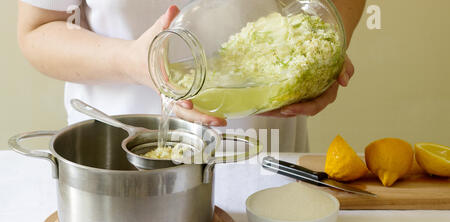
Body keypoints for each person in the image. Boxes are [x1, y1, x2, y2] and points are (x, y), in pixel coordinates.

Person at [18, 0, 365, 152]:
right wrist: (131, 62)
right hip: (116, 163)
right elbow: (39, 28)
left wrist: (325, 47)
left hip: (261, 152)